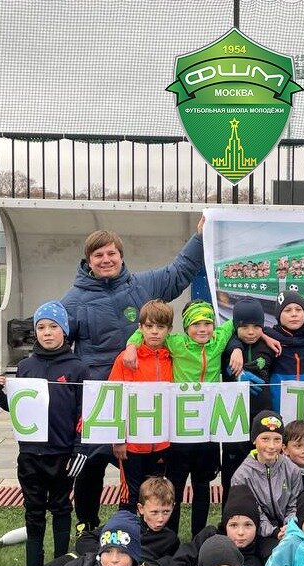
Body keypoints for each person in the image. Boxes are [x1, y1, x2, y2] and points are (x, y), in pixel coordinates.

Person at [62, 217, 205, 535]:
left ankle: (147, 525)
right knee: (92, 463)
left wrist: (199, 237)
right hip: (103, 399)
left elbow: (179, 271)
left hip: (147, 400)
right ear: (89, 261)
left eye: (111, 253)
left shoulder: (143, 286)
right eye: (98, 255)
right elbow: (56, 343)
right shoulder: (72, 301)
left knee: (145, 471)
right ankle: (87, 523)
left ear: (121, 256)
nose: (106, 260)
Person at [124, 299, 245, 537]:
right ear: (186, 327)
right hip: (179, 431)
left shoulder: (218, 340)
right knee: (175, 487)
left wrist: (236, 347)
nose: (203, 329)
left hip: (207, 431)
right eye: (196, 324)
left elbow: (237, 322)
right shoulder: (176, 343)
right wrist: (130, 346)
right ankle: (169, 538)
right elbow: (147, 332)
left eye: (207, 323)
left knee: (203, 486)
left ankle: (199, 538)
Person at [0, 301, 88, 566]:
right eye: (41, 327)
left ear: (64, 331)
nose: (47, 332)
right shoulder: (26, 366)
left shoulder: (78, 368)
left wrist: (79, 448)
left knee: (61, 508)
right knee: (33, 511)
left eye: (53, 326)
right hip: (31, 454)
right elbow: (19, 408)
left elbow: (84, 412)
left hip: (62, 453)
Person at [157, 484, 265, 566]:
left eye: (248, 525)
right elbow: (178, 563)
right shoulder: (209, 536)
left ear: (257, 526)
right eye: (233, 525)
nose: (241, 532)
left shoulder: (257, 557)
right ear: (225, 525)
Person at [107, 299, 174, 512]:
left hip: (162, 442)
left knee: (154, 494)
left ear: (169, 330)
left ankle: (151, 538)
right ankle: (126, 537)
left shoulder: (173, 357)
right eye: (149, 326)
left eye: (160, 327)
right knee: (131, 494)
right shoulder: (126, 359)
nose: (154, 332)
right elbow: (114, 399)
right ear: (140, 328)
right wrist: (118, 439)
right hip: (133, 444)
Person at [220, 297, 275, 503]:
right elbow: (222, 334)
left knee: (260, 470)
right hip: (233, 420)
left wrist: (267, 335)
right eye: (245, 327)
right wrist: (235, 347)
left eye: (256, 326)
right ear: (235, 327)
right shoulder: (226, 344)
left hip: (260, 420)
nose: (251, 332)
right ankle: (229, 515)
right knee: (232, 473)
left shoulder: (269, 343)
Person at [231, 410, 302, 560]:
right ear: (254, 440)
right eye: (265, 439)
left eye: (277, 439)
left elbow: (295, 504)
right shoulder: (242, 476)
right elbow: (252, 512)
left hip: (287, 529)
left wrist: (289, 526)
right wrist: (275, 532)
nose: (271, 446)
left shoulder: (292, 470)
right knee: (277, 555)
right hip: (259, 531)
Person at [266, 291, 304, 412]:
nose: (294, 314)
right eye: (287, 310)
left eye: (298, 309)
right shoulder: (269, 339)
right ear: (279, 315)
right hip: (278, 414)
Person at [136, 476, 180, 560]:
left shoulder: (170, 539)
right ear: (141, 508)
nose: (160, 519)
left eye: (166, 512)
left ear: (173, 507)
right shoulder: (128, 531)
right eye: (154, 512)